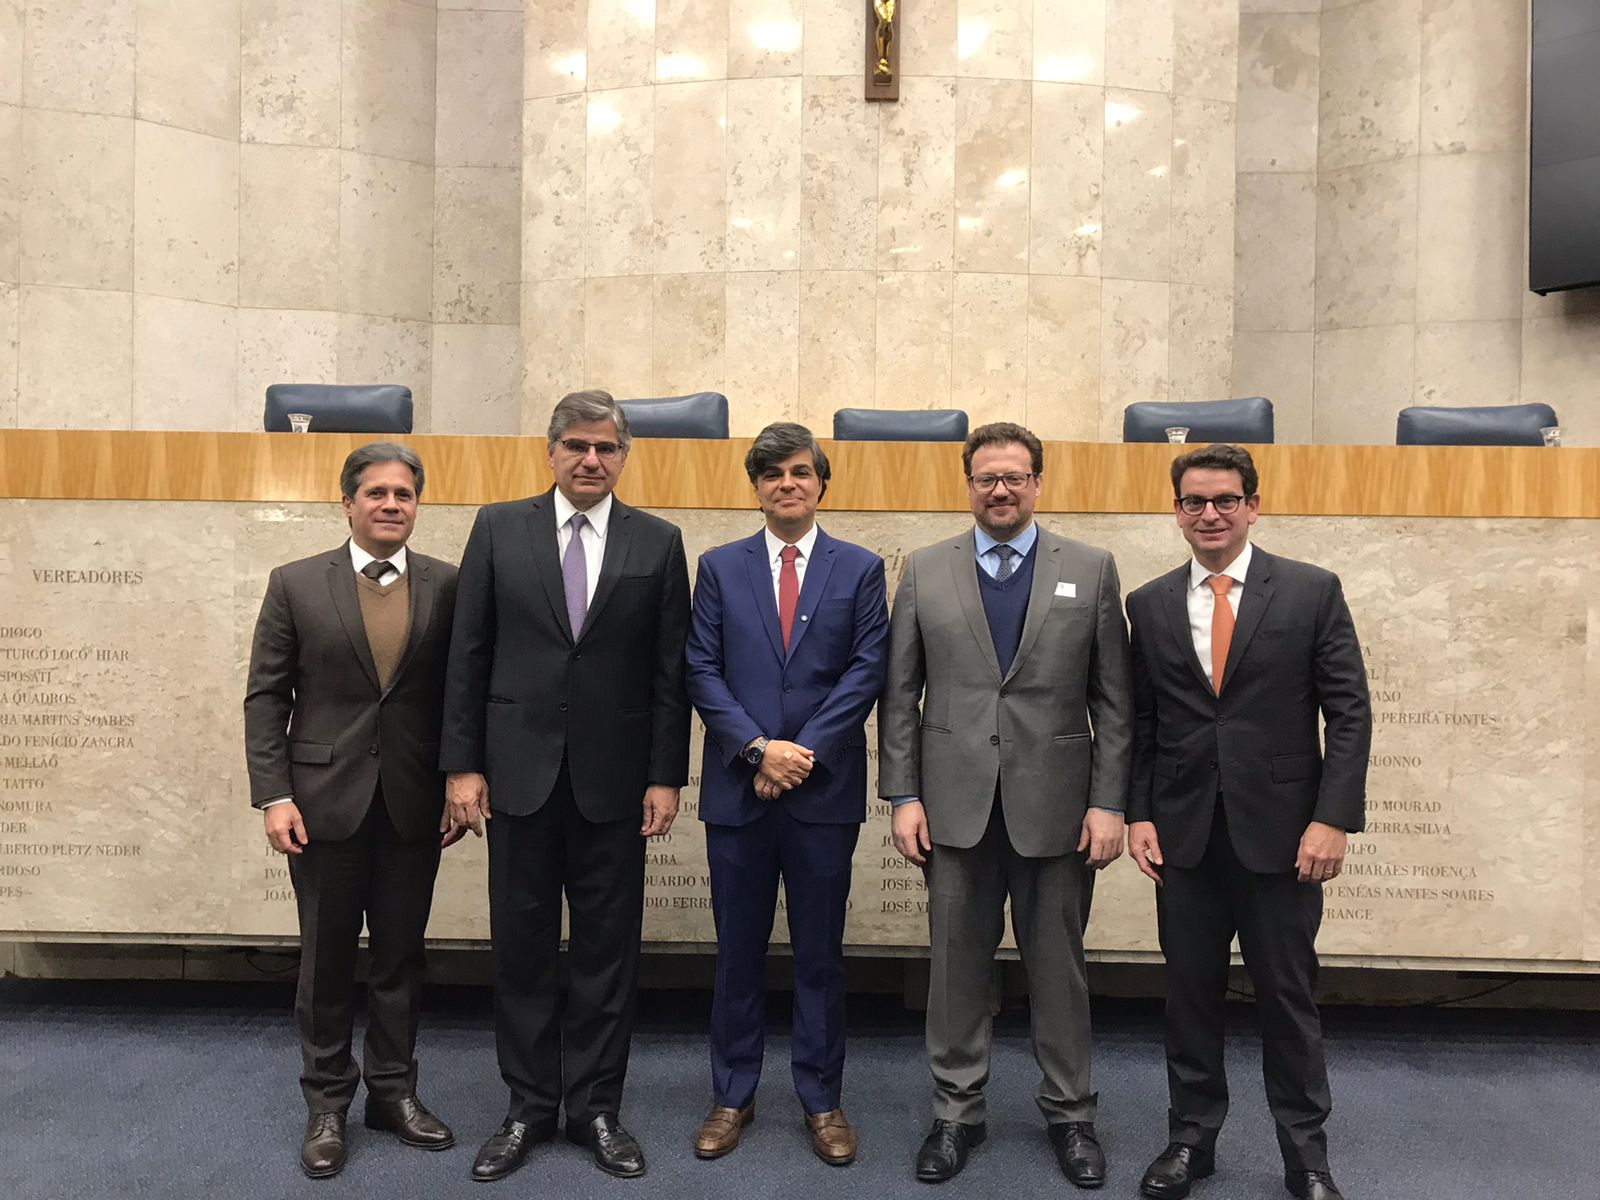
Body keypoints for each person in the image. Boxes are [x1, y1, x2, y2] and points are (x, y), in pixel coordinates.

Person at [440, 389, 691, 1183]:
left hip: (615, 786)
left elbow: (669, 671)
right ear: (550, 452)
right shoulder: (497, 527)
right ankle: (526, 1106)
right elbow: (468, 654)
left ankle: (595, 1108)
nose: (591, 460)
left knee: (606, 955)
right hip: (517, 778)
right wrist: (462, 765)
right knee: (521, 952)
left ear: (624, 457)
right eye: (577, 446)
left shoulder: (659, 542)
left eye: (606, 448)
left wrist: (665, 775)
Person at [878, 421, 1133, 1187]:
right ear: (968, 486)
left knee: (1060, 973)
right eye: (986, 478)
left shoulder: (1090, 569)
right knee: (955, 971)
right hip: (952, 807)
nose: (1000, 490)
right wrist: (903, 794)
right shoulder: (925, 570)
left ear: (1037, 484)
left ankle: (1071, 1113)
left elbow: (1114, 702)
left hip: (1057, 808)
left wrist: (1109, 803)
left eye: (1014, 477)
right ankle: (957, 1113)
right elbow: (899, 695)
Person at [1125, 443, 1371, 1200]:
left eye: (1225, 500)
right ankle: (1190, 1141)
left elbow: (1349, 713)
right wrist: (1138, 813)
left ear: (1252, 507)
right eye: (1194, 502)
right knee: (1189, 997)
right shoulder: (1149, 603)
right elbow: (1143, 721)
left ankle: (1306, 1156)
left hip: (1285, 838)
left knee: (1287, 1001)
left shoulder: (1310, 590)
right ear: (1176, 512)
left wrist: (1332, 819)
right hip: (1185, 835)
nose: (1210, 514)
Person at [244, 442, 461, 1180]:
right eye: (376, 493)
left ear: (416, 505)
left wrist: (460, 780)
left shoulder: (448, 585)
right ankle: (328, 1103)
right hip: (320, 805)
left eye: (404, 494)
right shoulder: (297, 582)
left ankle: (393, 1093)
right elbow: (266, 697)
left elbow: (460, 696)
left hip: (413, 804)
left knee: (401, 958)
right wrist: (274, 794)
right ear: (347, 503)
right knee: (326, 961)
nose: (391, 504)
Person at [685, 422, 888, 1166]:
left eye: (800, 472)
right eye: (772, 474)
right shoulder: (719, 567)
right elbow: (701, 667)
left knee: (819, 956)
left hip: (821, 791)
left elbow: (867, 669)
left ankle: (822, 1099)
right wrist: (756, 749)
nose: (787, 484)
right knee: (736, 952)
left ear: (821, 483)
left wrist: (798, 755)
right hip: (739, 790)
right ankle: (731, 1095)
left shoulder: (860, 568)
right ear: (756, 488)